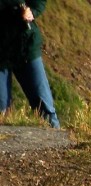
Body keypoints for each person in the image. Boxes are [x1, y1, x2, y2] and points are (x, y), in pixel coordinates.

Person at [0, 0, 60, 128]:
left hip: (25, 45)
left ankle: (58, 143)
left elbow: (39, 2)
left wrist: (31, 11)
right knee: (1, 112)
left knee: (45, 109)